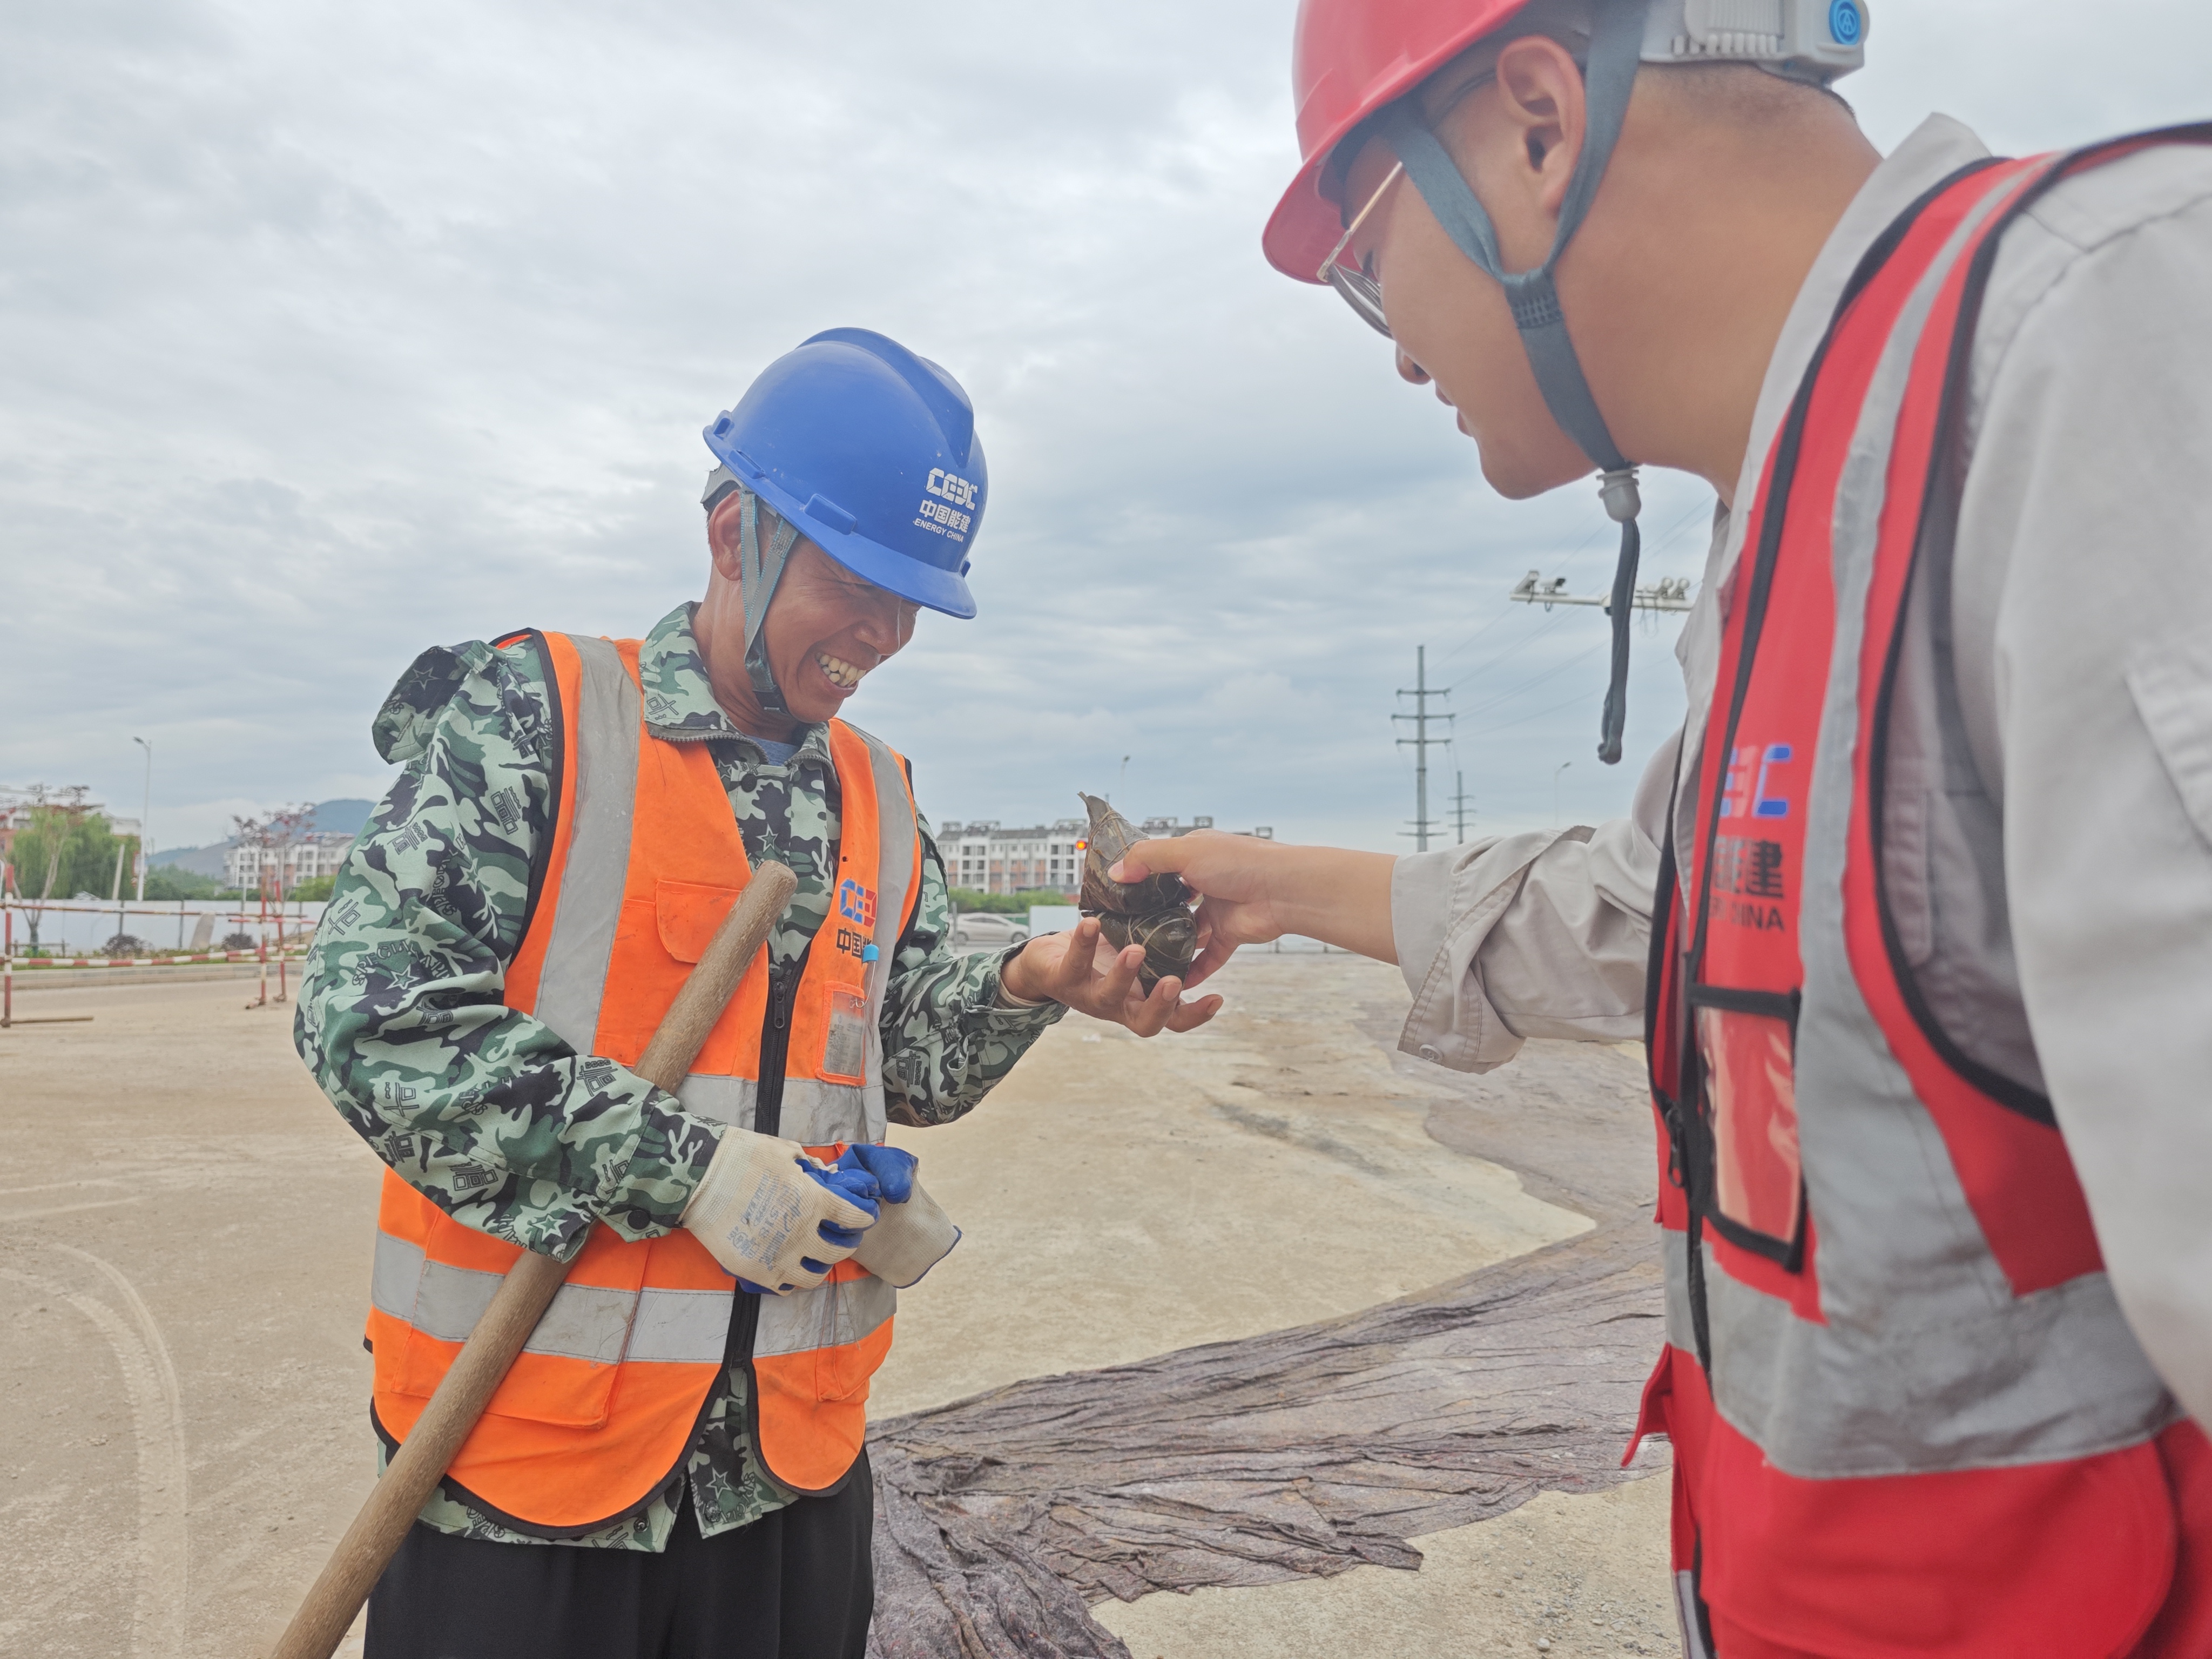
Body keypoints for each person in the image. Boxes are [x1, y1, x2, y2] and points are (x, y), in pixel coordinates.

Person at [1118, 3, 2212, 1653]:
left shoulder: (2098, 346)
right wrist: (1270, 887)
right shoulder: (1799, 513)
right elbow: (1675, 917)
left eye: (1365, 255)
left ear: (1539, 126)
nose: (1400, 347)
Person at [296, 326, 1219, 1659]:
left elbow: (905, 1062)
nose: (883, 634)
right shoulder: (541, 717)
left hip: (786, 1479)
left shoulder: (884, 796)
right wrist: (690, 1174)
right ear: (735, 532)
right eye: (854, 580)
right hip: (523, 1470)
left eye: (912, 600)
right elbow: (373, 1020)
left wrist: (1032, 981)